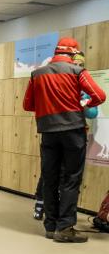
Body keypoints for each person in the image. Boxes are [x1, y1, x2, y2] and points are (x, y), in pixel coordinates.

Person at [23, 37, 105, 242]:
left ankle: (50, 226)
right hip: (73, 132)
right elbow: (100, 95)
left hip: (48, 133)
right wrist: (84, 104)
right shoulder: (77, 72)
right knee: (71, 179)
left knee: (49, 179)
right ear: (73, 53)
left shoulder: (37, 74)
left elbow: (28, 105)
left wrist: (48, 104)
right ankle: (65, 228)